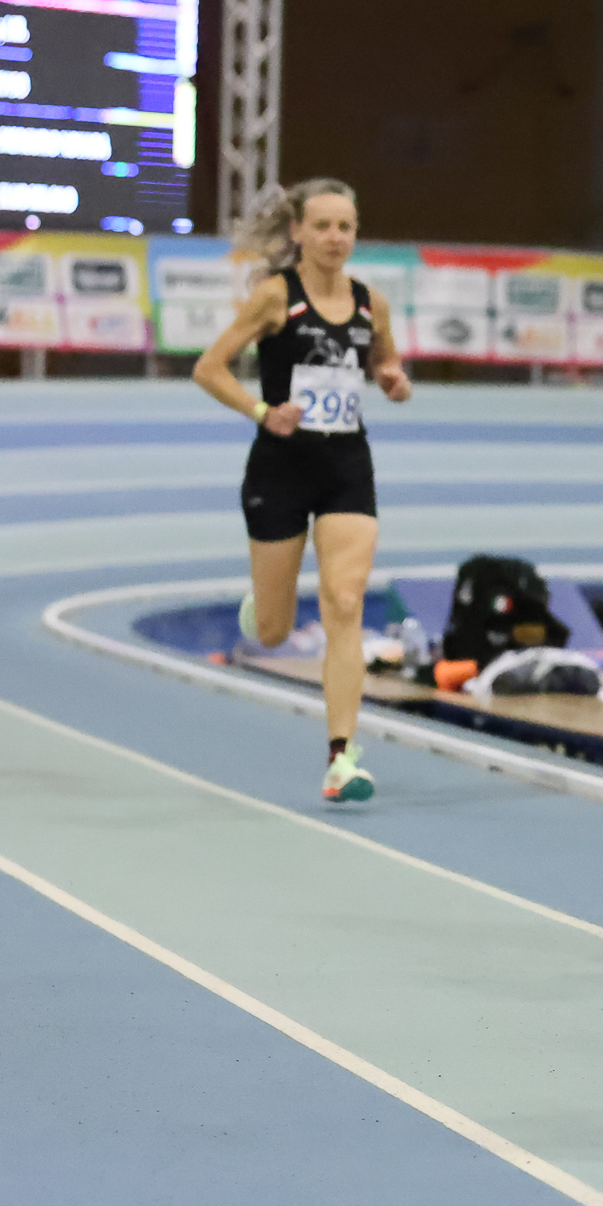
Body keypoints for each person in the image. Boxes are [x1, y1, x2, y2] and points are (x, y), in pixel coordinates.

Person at [195, 178, 411, 805]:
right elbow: (209, 368)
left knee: (345, 599)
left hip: (346, 464)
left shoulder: (371, 303)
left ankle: (341, 758)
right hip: (280, 467)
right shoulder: (275, 296)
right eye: (322, 226)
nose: (335, 238)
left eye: (345, 226)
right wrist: (263, 411)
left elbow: (385, 362)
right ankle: (264, 604)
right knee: (272, 630)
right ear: (297, 232)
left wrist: (393, 379)